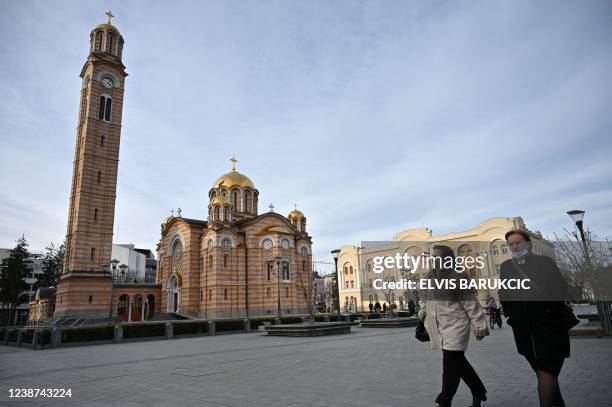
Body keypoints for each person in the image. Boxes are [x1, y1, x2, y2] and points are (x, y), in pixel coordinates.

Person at [498, 230, 570, 407]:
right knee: (542, 372)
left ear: (527, 244)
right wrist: (511, 317)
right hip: (523, 330)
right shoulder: (507, 267)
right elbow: (503, 293)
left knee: (547, 369)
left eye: (518, 243)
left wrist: (549, 312)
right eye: (511, 244)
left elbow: (560, 288)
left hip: (548, 327)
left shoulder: (544, 263)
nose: (515, 246)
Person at [418, 245, 489, 407]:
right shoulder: (429, 277)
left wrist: (479, 326)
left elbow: (471, 304)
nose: (434, 260)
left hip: (456, 325)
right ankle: (478, 390)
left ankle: (445, 400)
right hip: (438, 326)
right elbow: (424, 299)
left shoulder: (458, 277)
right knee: (459, 363)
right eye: (432, 257)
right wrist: (422, 313)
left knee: (450, 363)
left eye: (437, 257)